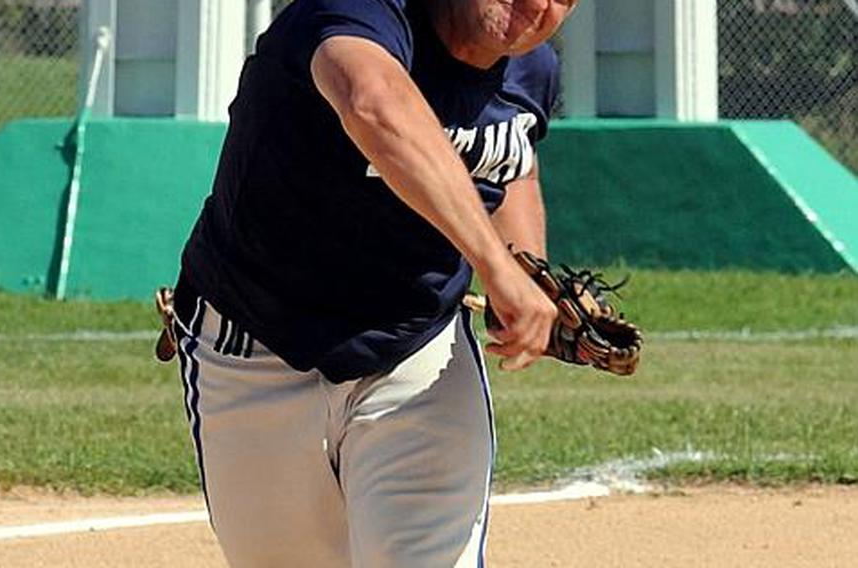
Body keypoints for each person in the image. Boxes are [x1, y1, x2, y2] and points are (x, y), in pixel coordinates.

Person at [172, 0, 577, 565]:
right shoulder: (359, 12)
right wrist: (496, 266)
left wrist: (530, 271)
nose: (539, 5)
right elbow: (374, 104)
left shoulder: (532, 68)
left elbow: (513, 161)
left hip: (419, 356)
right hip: (261, 347)